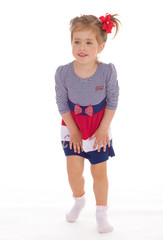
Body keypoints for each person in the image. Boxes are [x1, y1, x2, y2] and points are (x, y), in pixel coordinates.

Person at [55, 13, 120, 233]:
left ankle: (101, 213)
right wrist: (73, 131)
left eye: (89, 42)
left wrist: (103, 130)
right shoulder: (63, 73)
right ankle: (79, 200)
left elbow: (112, 101)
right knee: (73, 170)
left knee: (99, 171)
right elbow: (62, 103)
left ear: (100, 46)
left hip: (97, 128)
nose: (82, 47)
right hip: (72, 126)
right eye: (77, 41)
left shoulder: (106, 71)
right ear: (71, 42)